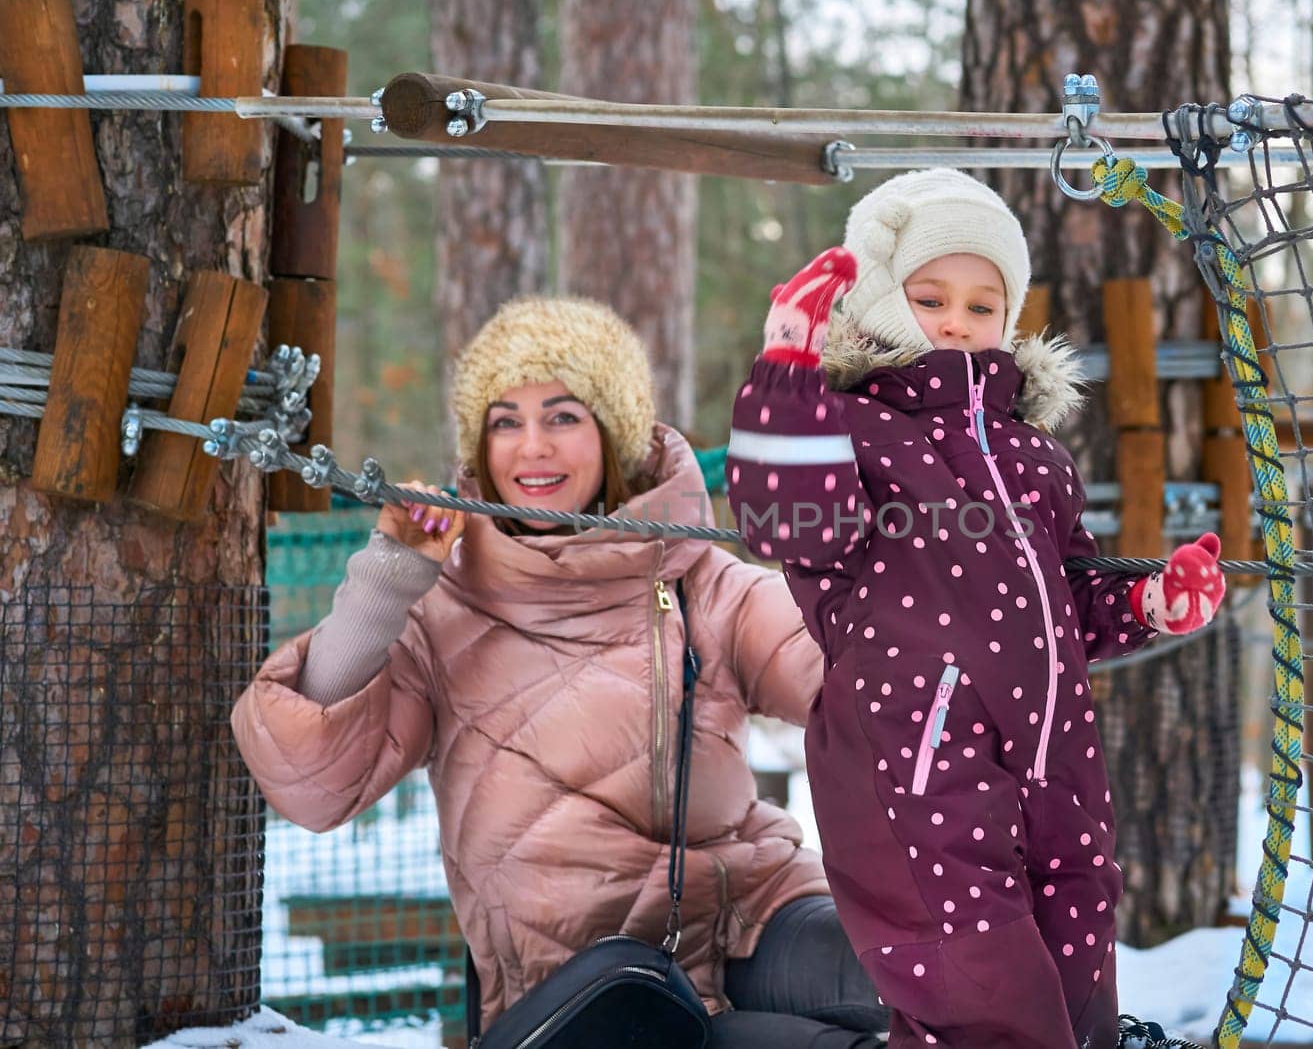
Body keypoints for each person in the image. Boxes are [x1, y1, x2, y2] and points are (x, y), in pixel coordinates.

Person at [232, 295, 889, 1047]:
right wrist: (387, 581)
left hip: (754, 913)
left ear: (615, 434)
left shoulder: (699, 577)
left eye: (564, 416)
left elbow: (852, 676)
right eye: (505, 421)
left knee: (922, 980)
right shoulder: (446, 609)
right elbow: (312, 780)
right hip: (592, 988)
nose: (532, 446)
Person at [726, 170, 1226, 1049]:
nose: (957, 321)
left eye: (981, 303)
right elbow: (784, 520)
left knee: (1076, 997)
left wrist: (1149, 600)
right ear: (881, 299)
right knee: (984, 1000)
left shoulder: (1035, 454)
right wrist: (786, 365)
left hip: (1056, 767)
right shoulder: (846, 425)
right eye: (929, 297)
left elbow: (1067, 595)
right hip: (914, 767)